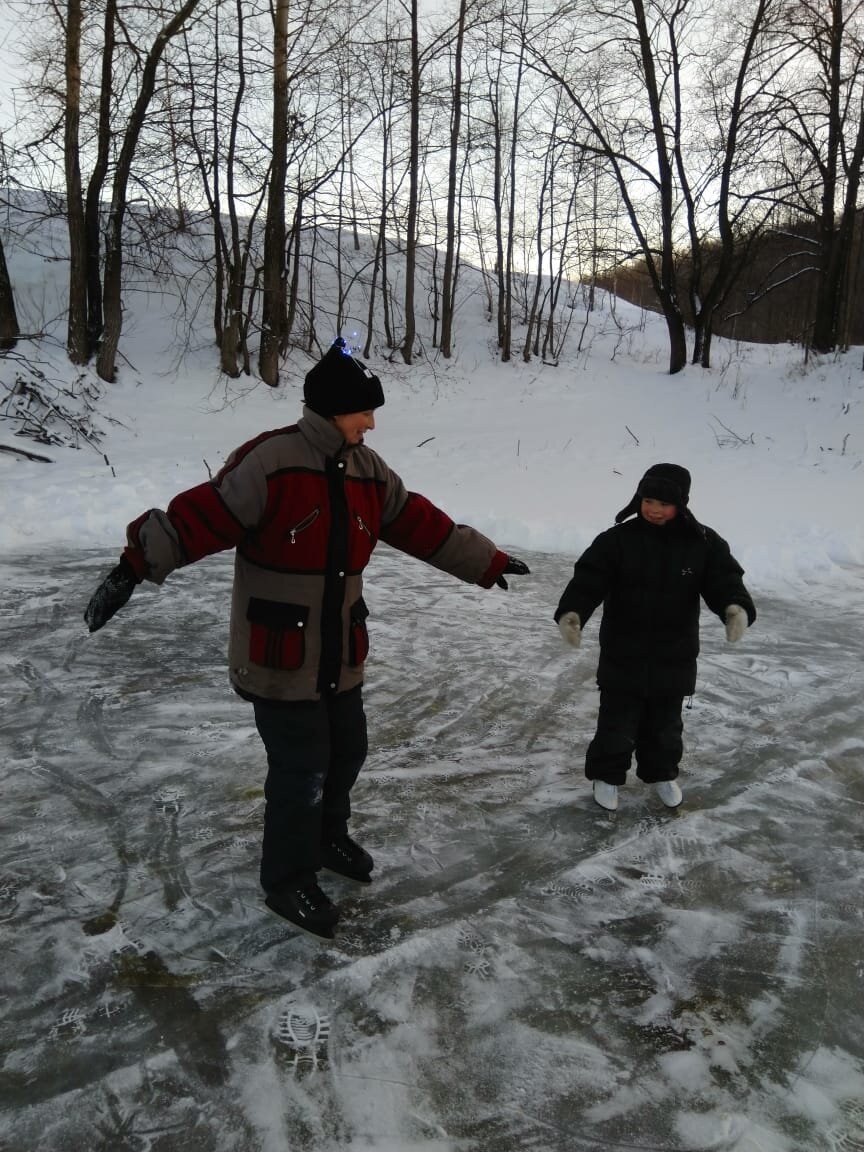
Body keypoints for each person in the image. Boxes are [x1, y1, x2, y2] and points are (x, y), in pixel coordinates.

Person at [84, 337, 530, 939]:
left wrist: (487, 562)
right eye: (361, 412)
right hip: (279, 654)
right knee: (302, 768)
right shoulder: (272, 461)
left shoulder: (370, 472)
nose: (371, 423)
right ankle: (286, 879)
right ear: (329, 410)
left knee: (347, 751)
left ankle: (327, 839)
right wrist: (133, 566)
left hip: (339, 650)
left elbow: (420, 522)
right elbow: (201, 517)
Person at [554, 463, 755, 812]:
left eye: (664, 503)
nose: (654, 509)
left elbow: (723, 579)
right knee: (616, 722)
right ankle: (606, 776)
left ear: (682, 503)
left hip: (673, 653)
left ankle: (662, 773)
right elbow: (589, 579)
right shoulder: (617, 540)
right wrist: (573, 613)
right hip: (623, 650)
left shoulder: (703, 543)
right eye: (648, 500)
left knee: (665, 726)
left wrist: (734, 607)